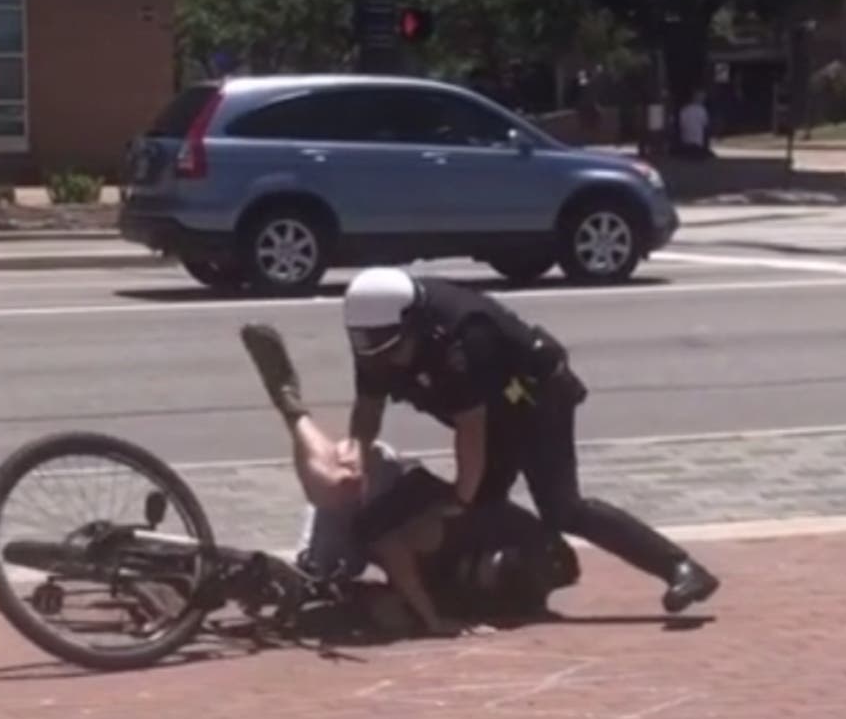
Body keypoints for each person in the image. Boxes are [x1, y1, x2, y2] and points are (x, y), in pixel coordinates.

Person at [337, 267, 720, 616]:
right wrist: (356, 454)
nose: (383, 361)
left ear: (417, 325)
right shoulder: (377, 338)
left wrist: (461, 498)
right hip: (493, 412)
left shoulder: (464, 336)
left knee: (562, 507)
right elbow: (368, 407)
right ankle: (499, 578)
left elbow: (472, 427)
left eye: (391, 350)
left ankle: (681, 567)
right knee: (474, 506)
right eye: (371, 352)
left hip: (537, 400)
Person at [238, 324, 578, 636]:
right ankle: (289, 403)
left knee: (312, 581)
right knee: (338, 485)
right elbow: (392, 543)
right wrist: (431, 620)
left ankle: (212, 582)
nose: (479, 576)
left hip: (358, 538)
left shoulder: (478, 594)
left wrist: (406, 609)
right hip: (380, 486)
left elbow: (387, 594)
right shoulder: (477, 528)